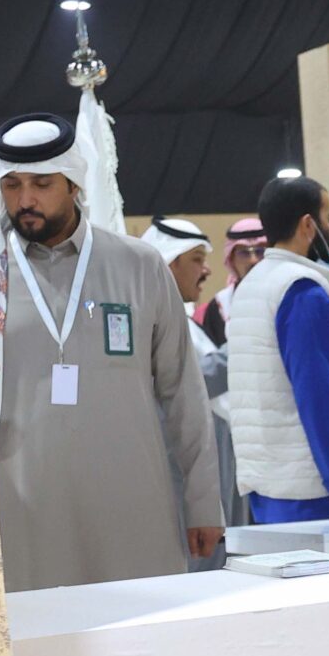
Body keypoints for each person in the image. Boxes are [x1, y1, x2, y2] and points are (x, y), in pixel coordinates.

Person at [0, 111, 221, 589]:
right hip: (21, 511)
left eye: (42, 184)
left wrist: (203, 503)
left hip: (131, 506)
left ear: (73, 183)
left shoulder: (138, 265)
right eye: (12, 185)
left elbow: (183, 394)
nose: (25, 200)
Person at [231, 175, 329, 523]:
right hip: (311, 487)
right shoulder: (302, 290)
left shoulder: (252, 284)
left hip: (268, 483)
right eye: (328, 218)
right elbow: (317, 393)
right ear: (308, 225)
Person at [144, 216, 242, 553]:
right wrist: (248, 341)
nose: (206, 270)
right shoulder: (155, 323)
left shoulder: (183, 319)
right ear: (170, 263)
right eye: (197, 260)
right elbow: (193, 380)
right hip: (182, 476)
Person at [205, 216, 269, 343]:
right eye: (244, 253)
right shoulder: (219, 306)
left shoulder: (286, 297)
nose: (253, 260)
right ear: (231, 259)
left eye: (260, 251)